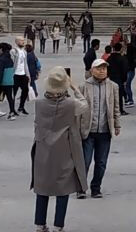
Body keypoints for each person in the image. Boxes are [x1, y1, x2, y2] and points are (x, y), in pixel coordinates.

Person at [32, 68, 88, 232]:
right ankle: (58, 226)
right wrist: (75, 88)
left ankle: (40, 224)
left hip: (43, 148)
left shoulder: (39, 104)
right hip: (65, 149)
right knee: (63, 189)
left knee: (42, 188)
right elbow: (85, 105)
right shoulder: (72, 104)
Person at [79, 59, 120, 199]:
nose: (102, 71)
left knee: (101, 162)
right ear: (92, 70)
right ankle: (81, 188)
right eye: (99, 68)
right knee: (85, 160)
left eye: (104, 68)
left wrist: (117, 125)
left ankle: (96, 188)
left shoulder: (113, 86)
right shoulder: (84, 86)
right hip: (88, 130)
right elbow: (77, 109)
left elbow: (116, 107)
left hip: (104, 130)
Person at [0, 42, 18, 120]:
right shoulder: (9, 58)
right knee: (10, 97)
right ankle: (12, 112)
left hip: (3, 81)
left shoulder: (1, 59)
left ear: (1, 49)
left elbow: (0, 72)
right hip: (9, 80)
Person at [106, 43, 129, 115]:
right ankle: (120, 109)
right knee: (119, 95)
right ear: (121, 49)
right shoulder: (122, 58)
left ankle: (111, 109)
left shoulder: (109, 58)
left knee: (111, 95)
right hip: (119, 78)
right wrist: (125, 80)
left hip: (111, 77)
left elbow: (107, 68)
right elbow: (124, 70)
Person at [14, 38, 32, 116]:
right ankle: (12, 109)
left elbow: (25, 64)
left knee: (25, 90)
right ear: (17, 42)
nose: (23, 42)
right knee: (13, 92)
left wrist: (28, 75)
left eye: (23, 41)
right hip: (15, 74)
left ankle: (21, 107)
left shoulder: (24, 52)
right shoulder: (13, 51)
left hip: (23, 74)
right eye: (21, 41)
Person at [124, 40, 136, 108]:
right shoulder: (134, 56)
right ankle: (129, 99)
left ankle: (131, 100)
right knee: (127, 86)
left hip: (129, 71)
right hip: (131, 71)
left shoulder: (129, 57)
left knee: (127, 85)